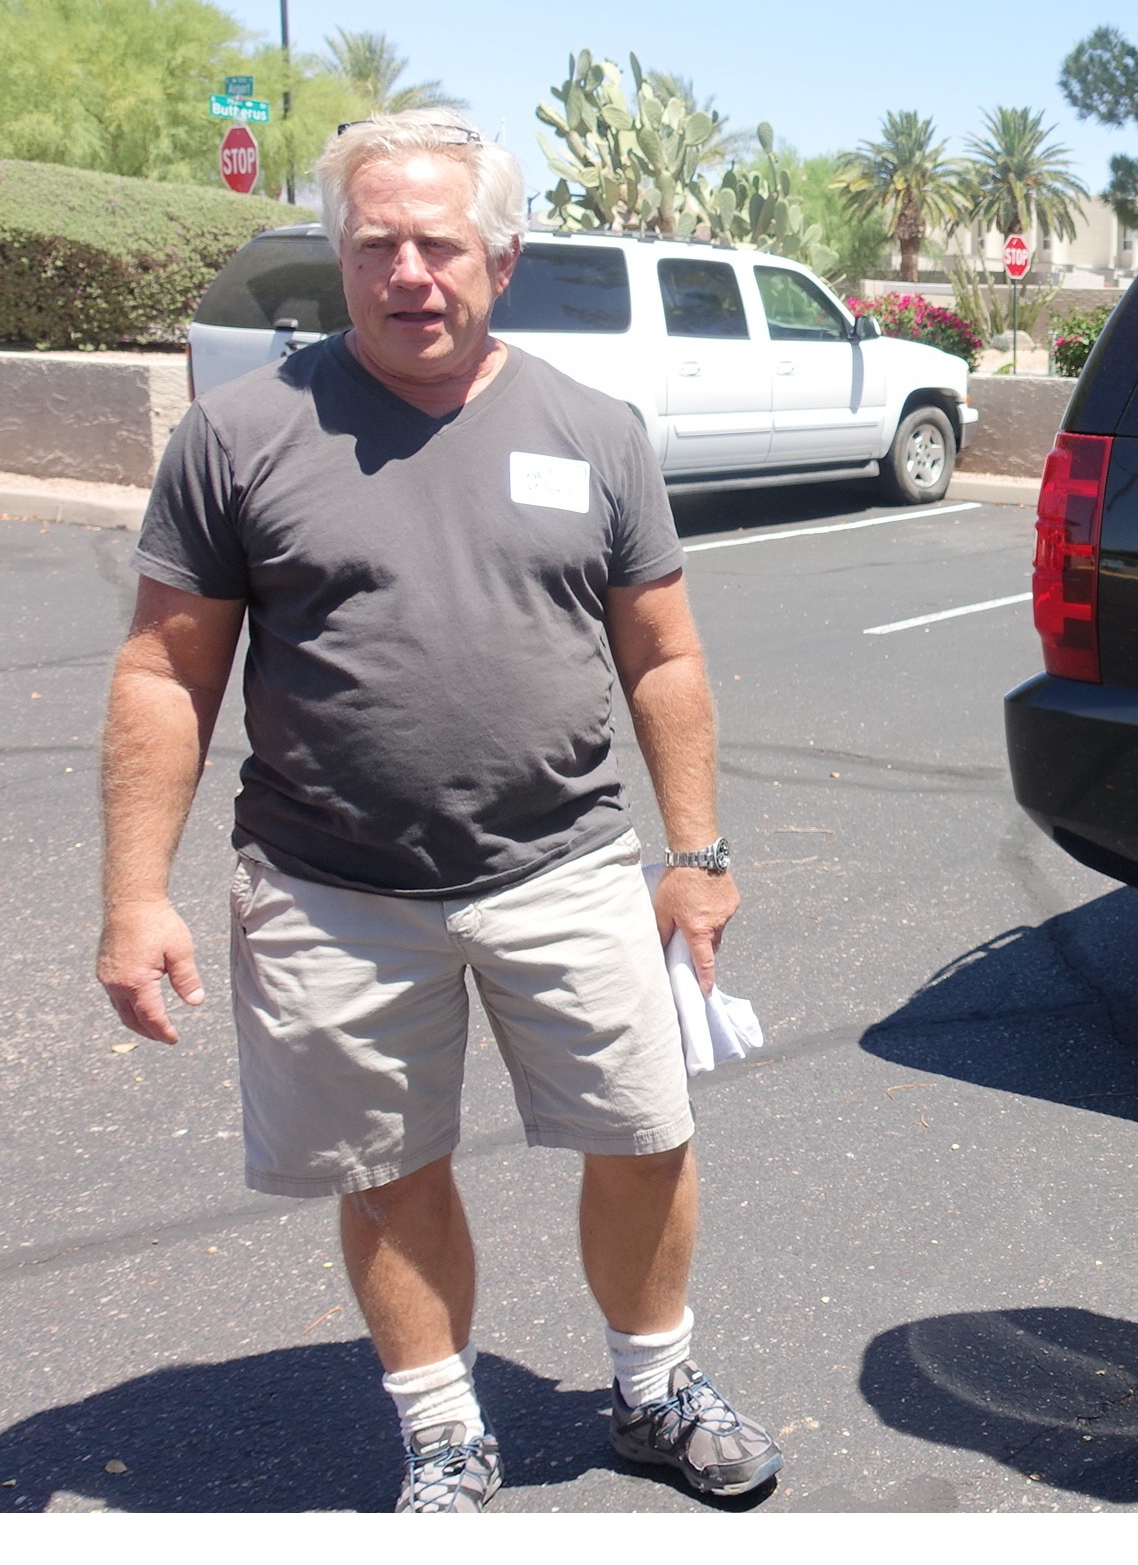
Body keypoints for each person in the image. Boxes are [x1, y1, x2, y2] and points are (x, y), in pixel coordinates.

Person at [96, 110, 781, 1513]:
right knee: (388, 1167)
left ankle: (653, 1388)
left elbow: (664, 655)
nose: (409, 272)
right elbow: (166, 671)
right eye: (376, 245)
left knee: (644, 1133)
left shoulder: (593, 432)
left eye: (440, 244)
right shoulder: (241, 435)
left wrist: (698, 852)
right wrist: (134, 893)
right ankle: (443, 1431)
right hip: (327, 887)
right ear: (339, 259)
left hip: (565, 863)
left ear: (502, 261)